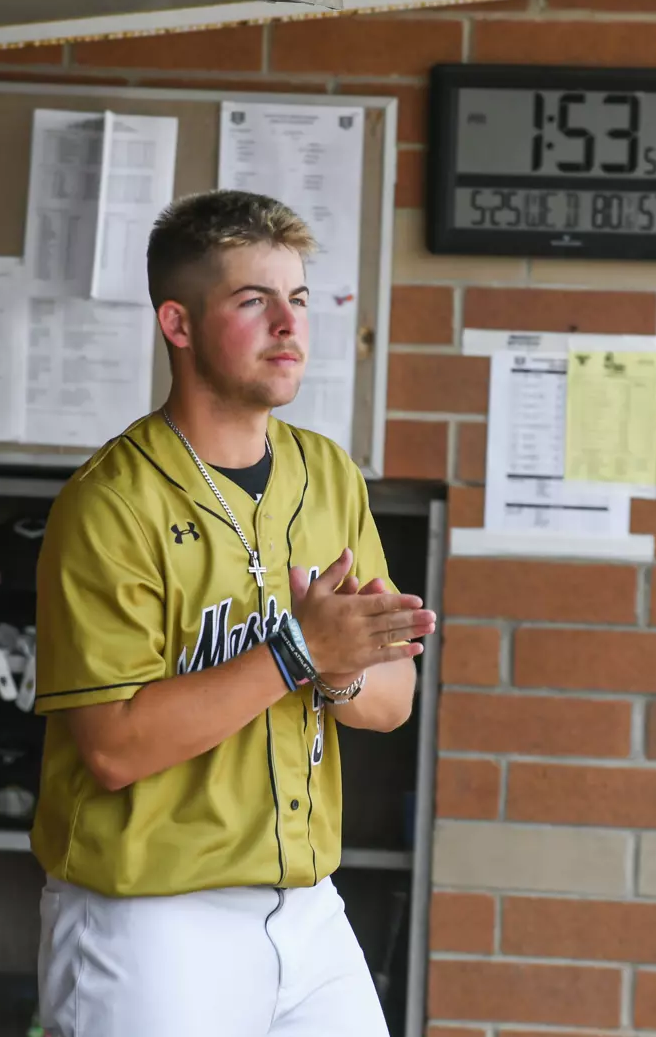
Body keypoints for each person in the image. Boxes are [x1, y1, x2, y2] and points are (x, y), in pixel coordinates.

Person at [30, 188, 437, 1036]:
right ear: (178, 324)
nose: (289, 325)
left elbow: (393, 701)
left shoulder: (327, 474)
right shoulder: (110, 503)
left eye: (297, 300)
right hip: (149, 917)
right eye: (254, 301)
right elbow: (112, 747)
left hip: (309, 906)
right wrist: (298, 652)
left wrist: (336, 662)